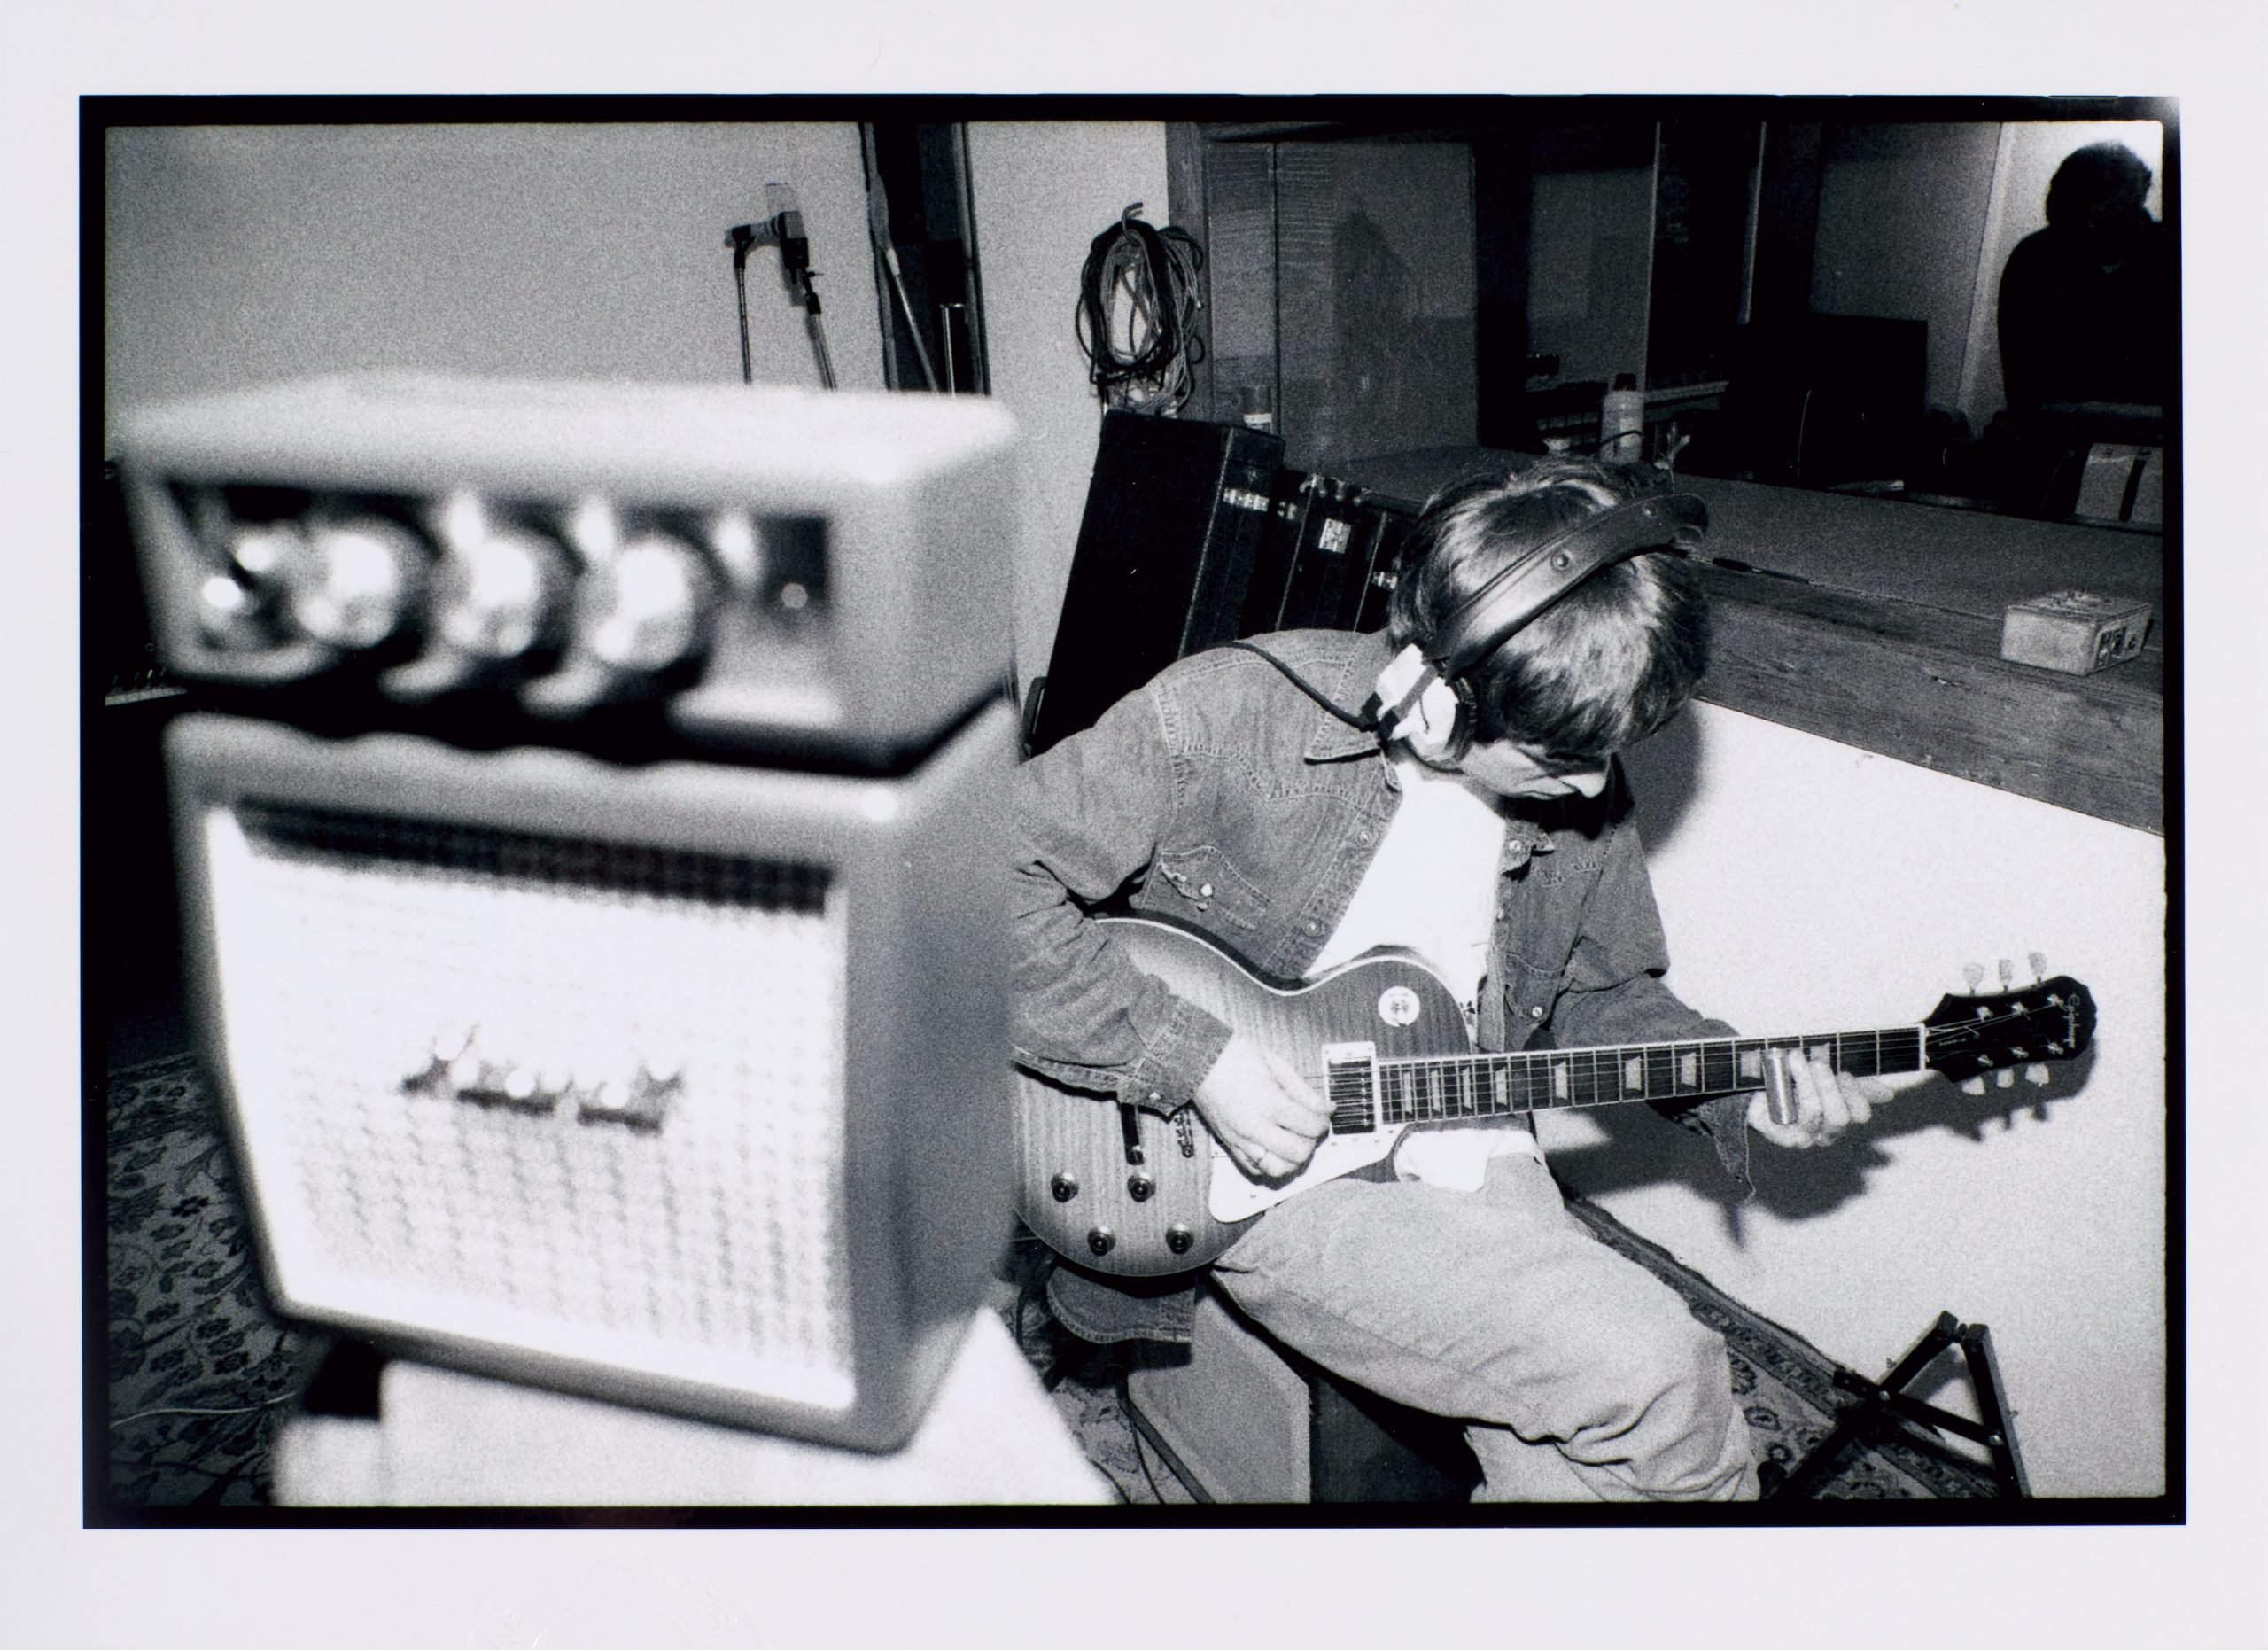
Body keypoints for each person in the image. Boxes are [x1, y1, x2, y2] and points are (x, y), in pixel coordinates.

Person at [1009, 455, 1909, 1502]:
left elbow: (1597, 996)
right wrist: (1196, 1058)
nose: (1589, 785)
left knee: (1582, 1467)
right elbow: (971, 880)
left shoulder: (1582, 784)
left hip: (1461, 1120)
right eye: (1554, 758)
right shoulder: (1227, 713)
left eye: (1604, 754)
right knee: (1660, 1372)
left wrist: (1736, 1083)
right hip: (1256, 1166)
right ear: (1432, 703)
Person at [1996, 142, 2172, 414]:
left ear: (2135, 203)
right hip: (2055, 434)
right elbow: (2022, 386)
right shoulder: (2034, 258)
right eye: (2077, 225)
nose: (2090, 234)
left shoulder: (2173, 255)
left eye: (2106, 220)